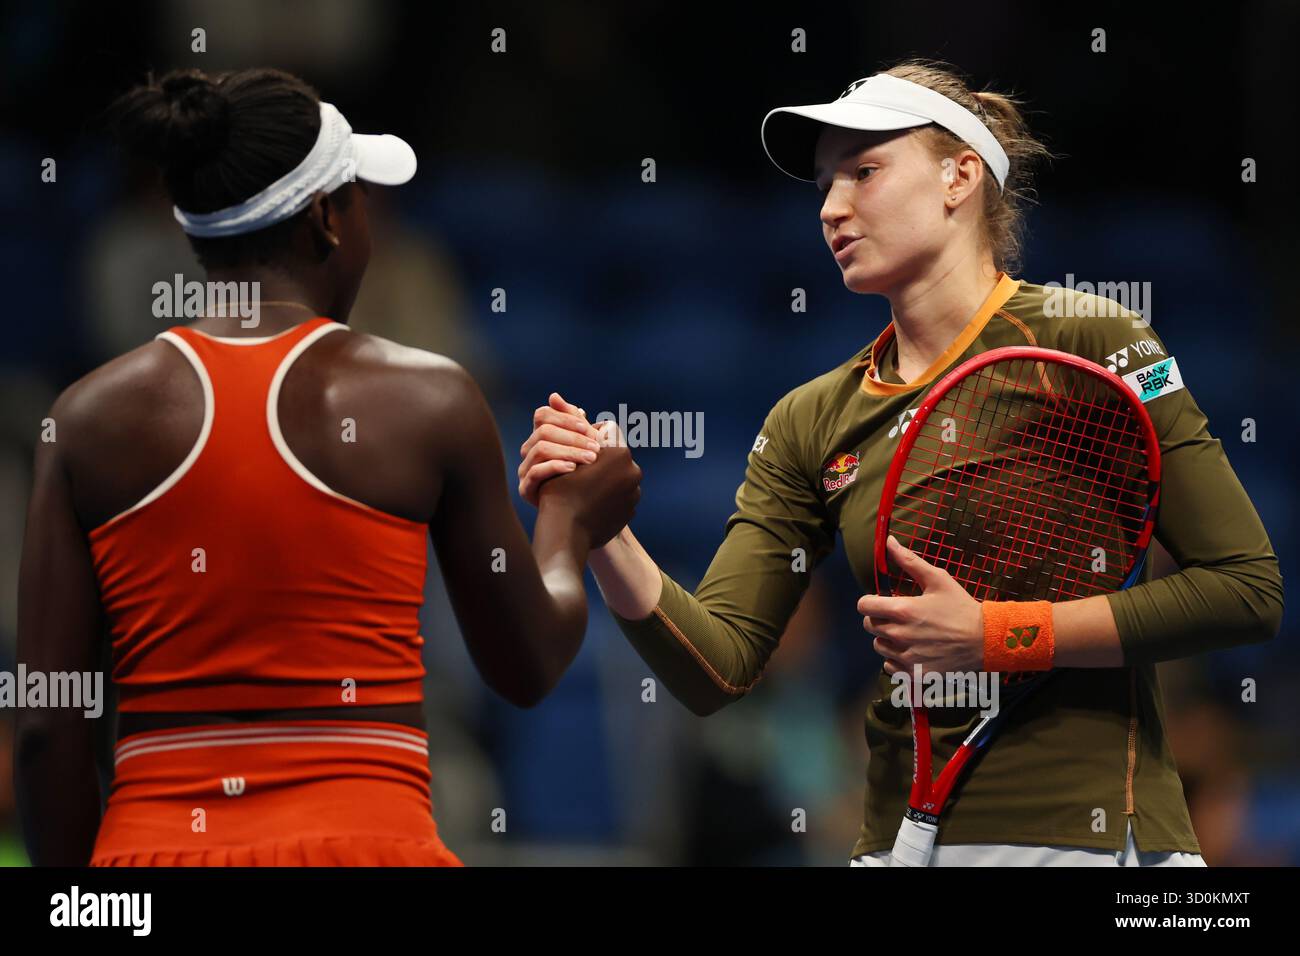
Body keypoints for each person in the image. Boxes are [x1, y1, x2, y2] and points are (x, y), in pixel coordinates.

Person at [517, 59, 1283, 865]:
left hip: (1093, 841)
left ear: (959, 178)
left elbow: (1244, 589)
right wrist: (605, 530)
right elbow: (717, 668)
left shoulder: (1096, 342)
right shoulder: (811, 417)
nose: (832, 207)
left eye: (864, 171)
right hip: (895, 842)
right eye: (823, 184)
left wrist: (997, 635)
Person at [15, 67, 640, 866]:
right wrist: (571, 521)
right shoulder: (427, 399)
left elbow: (45, 724)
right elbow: (527, 662)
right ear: (326, 220)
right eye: (362, 197)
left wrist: (89, 911)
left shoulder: (85, 418)